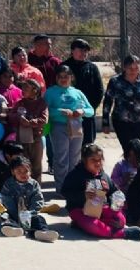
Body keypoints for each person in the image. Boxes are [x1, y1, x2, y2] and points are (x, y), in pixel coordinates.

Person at [61, 144, 140, 240]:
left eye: (100, 160)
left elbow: (114, 191)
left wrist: (116, 202)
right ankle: (122, 234)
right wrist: (83, 195)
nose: (97, 163)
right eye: (93, 160)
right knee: (92, 225)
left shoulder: (103, 175)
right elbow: (65, 192)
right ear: (84, 160)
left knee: (121, 221)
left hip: (102, 209)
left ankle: (83, 225)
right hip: (80, 210)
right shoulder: (76, 174)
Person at [45, 65, 95, 193]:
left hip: (76, 126)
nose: (63, 79)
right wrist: (59, 112)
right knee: (61, 157)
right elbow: (45, 110)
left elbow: (91, 110)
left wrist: (81, 111)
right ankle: (61, 188)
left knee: (75, 158)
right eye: (60, 77)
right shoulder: (50, 92)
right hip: (58, 126)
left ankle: (73, 186)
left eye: (66, 77)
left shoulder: (77, 92)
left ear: (71, 77)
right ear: (56, 78)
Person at [102, 55, 140, 153]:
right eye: (130, 68)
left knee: (137, 149)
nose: (133, 71)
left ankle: (136, 167)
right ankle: (127, 167)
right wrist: (105, 122)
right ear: (124, 67)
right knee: (128, 149)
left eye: (136, 68)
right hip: (121, 121)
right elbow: (108, 101)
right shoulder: (115, 81)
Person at [0, 156, 59, 242]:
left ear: (30, 171)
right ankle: (13, 229)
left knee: (39, 219)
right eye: (19, 171)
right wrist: (13, 212)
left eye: (26, 171)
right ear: (13, 172)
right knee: (5, 216)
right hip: (13, 212)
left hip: (30, 213)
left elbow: (37, 199)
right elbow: (6, 198)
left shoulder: (34, 184)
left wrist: (31, 212)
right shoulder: (8, 184)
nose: (23, 174)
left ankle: (41, 232)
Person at [62, 39, 104, 145]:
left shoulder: (92, 68)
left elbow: (99, 90)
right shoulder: (64, 67)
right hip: (68, 114)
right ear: (72, 51)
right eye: (81, 50)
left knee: (88, 144)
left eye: (86, 51)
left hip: (86, 113)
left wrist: (89, 108)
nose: (83, 53)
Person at [6, 80, 48, 183]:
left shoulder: (42, 103)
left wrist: (30, 122)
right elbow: (11, 116)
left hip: (36, 139)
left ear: (35, 90)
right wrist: (19, 118)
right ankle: (23, 187)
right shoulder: (20, 103)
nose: (23, 90)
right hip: (22, 139)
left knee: (36, 165)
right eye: (23, 87)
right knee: (23, 164)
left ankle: (36, 188)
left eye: (26, 88)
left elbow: (44, 120)